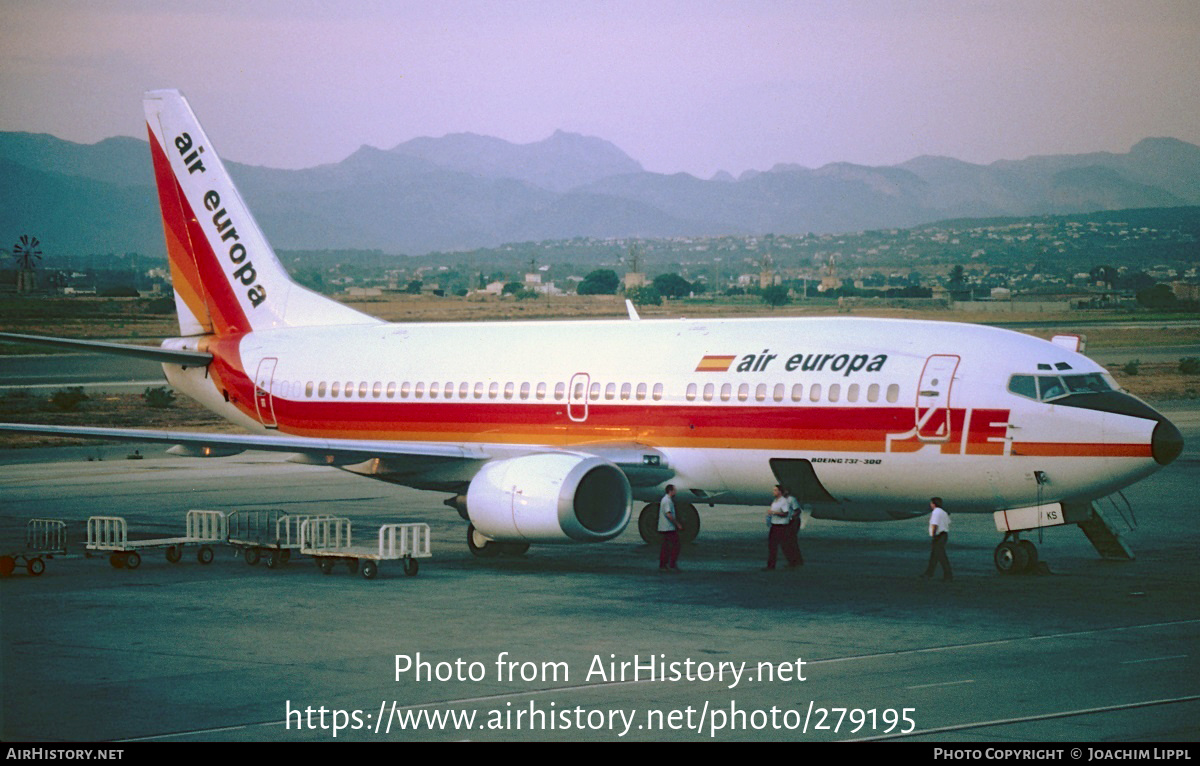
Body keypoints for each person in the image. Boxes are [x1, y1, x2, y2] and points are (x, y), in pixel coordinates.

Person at [764, 485, 801, 570]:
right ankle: (773, 564)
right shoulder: (776, 501)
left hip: (787, 524)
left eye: (776, 490)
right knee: (775, 545)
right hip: (776, 525)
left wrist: (791, 518)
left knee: (788, 543)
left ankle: (794, 561)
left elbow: (792, 511)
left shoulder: (789, 500)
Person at [922, 497, 952, 581]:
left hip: (938, 536)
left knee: (941, 556)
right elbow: (948, 522)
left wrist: (933, 535)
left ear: (933, 504)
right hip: (944, 535)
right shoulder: (943, 512)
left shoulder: (936, 512)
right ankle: (929, 573)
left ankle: (948, 575)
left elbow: (934, 524)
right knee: (934, 556)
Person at [658, 484, 681, 571]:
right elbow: (668, 514)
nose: (676, 492)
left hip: (667, 527)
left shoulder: (667, 500)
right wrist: (677, 523)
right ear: (670, 491)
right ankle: (670, 564)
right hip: (668, 528)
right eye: (674, 490)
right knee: (675, 545)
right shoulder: (667, 500)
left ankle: (665, 564)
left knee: (667, 546)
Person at [783, 486, 804, 566]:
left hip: (792, 522)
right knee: (787, 543)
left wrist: (791, 518)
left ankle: (796, 561)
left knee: (791, 542)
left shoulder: (791, 499)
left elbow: (797, 510)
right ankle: (792, 560)